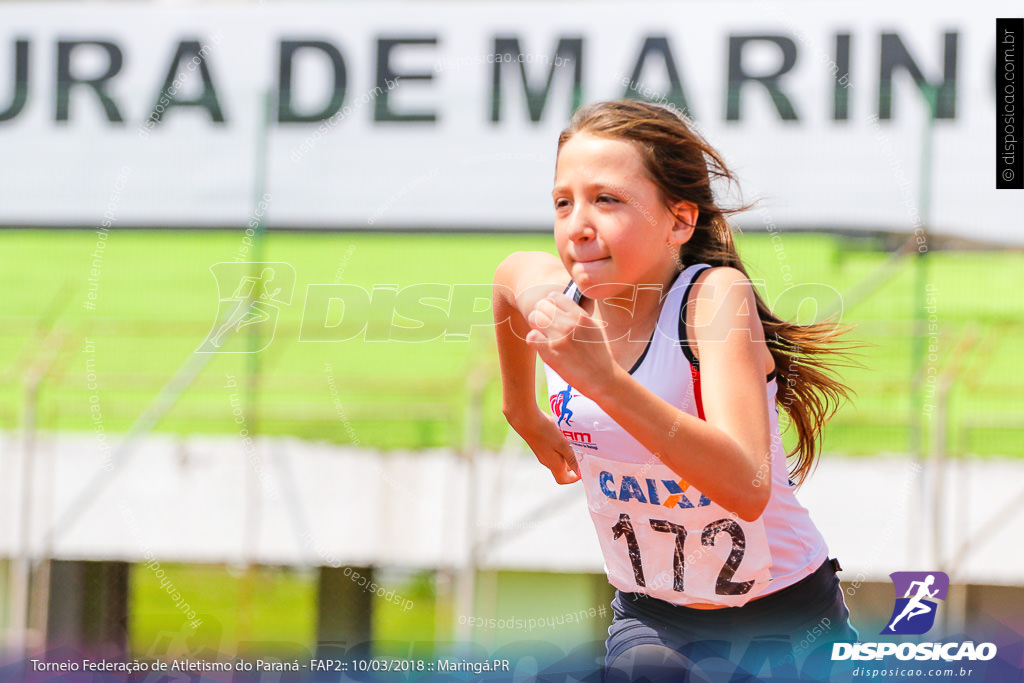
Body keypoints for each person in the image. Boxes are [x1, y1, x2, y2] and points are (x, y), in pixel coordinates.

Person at [492, 100, 861, 681]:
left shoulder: (712, 299)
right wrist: (521, 410)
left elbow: (746, 487)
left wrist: (606, 382)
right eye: (564, 201)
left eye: (607, 199)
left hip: (786, 615)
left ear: (680, 221)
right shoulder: (561, 302)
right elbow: (509, 276)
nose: (578, 224)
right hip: (654, 618)